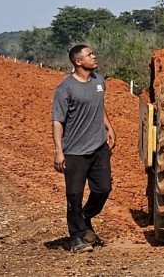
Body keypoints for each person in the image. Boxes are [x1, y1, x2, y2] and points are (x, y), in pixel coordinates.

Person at [52, 44, 116, 253]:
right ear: (78, 62)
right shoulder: (65, 88)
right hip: (75, 151)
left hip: (99, 147)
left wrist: (109, 127)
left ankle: (86, 216)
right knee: (74, 195)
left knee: (103, 189)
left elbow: (99, 106)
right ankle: (77, 237)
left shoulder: (99, 82)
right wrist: (59, 151)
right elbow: (58, 121)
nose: (94, 56)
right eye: (89, 55)